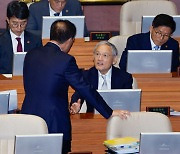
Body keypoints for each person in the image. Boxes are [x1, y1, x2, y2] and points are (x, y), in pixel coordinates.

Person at [21, 20, 130, 154]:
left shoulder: (31, 55)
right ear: (70, 40)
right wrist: (109, 112)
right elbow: (85, 88)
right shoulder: (66, 60)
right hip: (55, 123)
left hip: (28, 119)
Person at [70, 41, 133, 113]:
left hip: (117, 118)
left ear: (114, 59)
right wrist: (75, 104)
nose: (100, 58)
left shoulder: (125, 78)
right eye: (97, 54)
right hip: (93, 119)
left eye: (105, 55)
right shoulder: (86, 76)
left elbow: (128, 102)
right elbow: (78, 95)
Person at [0, 1, 42, 74]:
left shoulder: (35, 40)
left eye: (23, 23)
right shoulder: (1, 41)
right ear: (8, 20)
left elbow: (39, 64)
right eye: (15, 23)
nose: (19, 28)